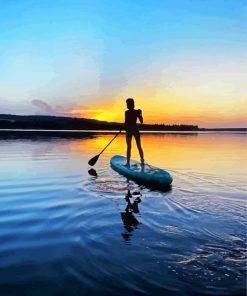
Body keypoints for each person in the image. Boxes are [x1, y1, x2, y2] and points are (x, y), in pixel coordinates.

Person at [124, 98, 144, 167]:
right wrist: (140, 114)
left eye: (127, 104)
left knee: (129, 147)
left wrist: (124, 128)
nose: (127, 105)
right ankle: (142, 161)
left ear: (129, 104)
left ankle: (128, 163)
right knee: (139, 146)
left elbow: (126, 123)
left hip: (130, 130)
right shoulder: (136, 112)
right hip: (135, 129)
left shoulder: (127, 112)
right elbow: (141, 121)